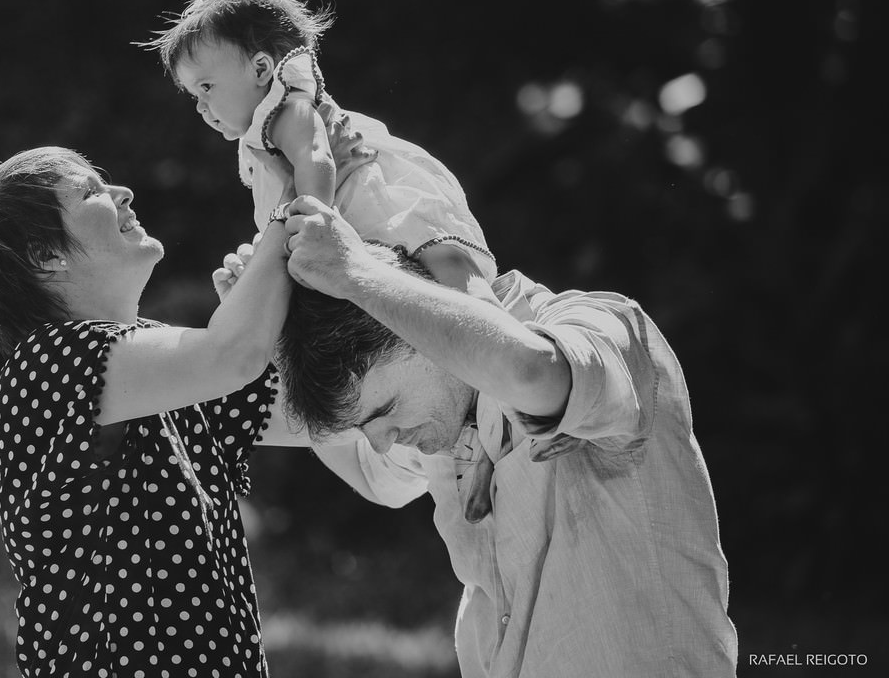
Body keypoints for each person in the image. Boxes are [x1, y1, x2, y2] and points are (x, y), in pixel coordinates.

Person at [276, 196, 739, 678]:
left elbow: (529, 374)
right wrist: (269, 339)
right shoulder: (446, 414)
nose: (382, 442)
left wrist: (356, 275)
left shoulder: (601, 325)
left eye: (386, 412)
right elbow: (376, 481)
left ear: (415, 323)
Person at [0, 146, 306, 678]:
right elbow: (235, 357)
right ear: (44, 256)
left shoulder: (159, 363)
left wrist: (268, 308)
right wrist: (289, 208)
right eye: (89, 192)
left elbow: (319, 416)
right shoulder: (50, 361)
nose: (122, 192)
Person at [141, 0, 497, 291]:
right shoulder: (264, 126)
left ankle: (495, 320)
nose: (201, 106)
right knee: (427, 277)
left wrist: (312, 225)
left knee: (439, 261)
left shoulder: (284, 107)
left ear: (261, 69)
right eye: (193, 96)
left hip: (373, 202)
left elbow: (316, 157)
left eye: (206, 87)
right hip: (356, 224)